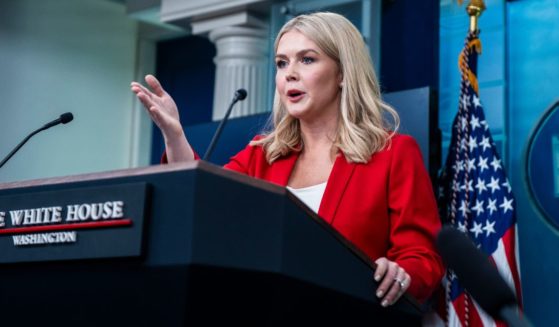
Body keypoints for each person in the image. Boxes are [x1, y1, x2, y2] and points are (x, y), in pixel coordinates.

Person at [131, 12, 444, 307]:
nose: (289, 74)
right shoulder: (261, 154)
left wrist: (401, 275)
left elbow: (423, 257)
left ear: (343, 74)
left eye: (307, 59)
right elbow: (205, 199)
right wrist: (174, 135)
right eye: (281, 63)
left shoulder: (393, 153)